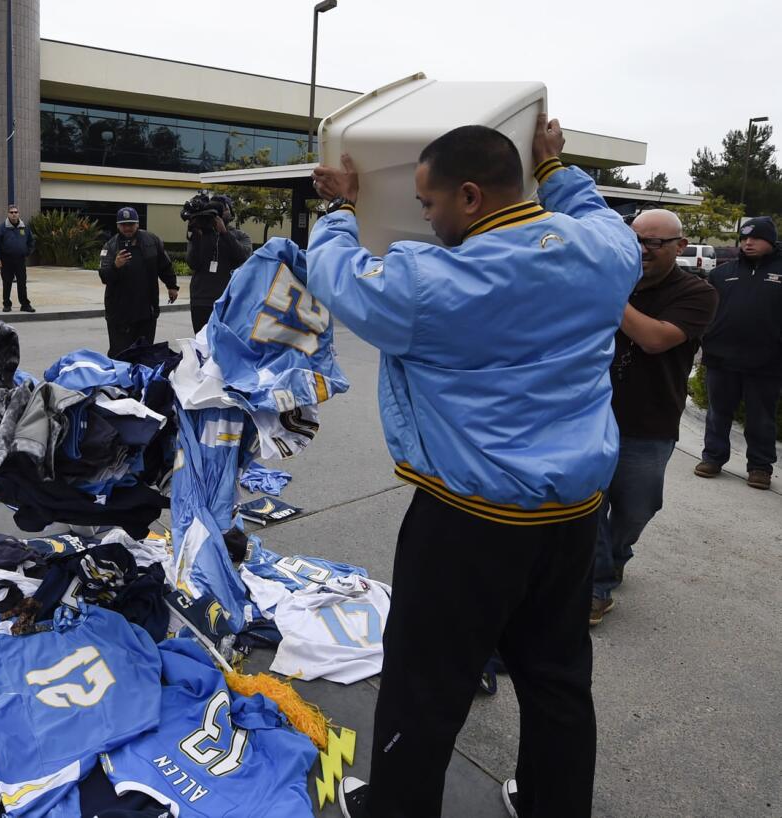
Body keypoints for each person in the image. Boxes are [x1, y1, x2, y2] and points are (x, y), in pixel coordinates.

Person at [304, 117, 640, 818]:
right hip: (574, 517)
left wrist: (339, 209)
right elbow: (589, 210)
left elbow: (336, 276)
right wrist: (555, 166)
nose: (423, 215)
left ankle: (400, 808)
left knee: (426, 680)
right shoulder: (608, 254)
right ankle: (553, 804)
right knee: (557, 676)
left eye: (427, 204)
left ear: (468, 196)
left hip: (470, 523)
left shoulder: (428, 282)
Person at [589, 210, 717, 625]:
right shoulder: (615, 279)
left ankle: (616, 554)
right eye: (635, 240)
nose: (641, 250)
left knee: (635, 510)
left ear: (680, 247)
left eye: (653, 243)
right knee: (589, 505)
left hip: (649, 422)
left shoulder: (698, 293)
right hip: (590, 417)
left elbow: (654, 338)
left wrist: (608, 296)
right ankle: (596, 587)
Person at [695, 216, 782, 490]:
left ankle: (760, 467)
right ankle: (712, 458)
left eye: (755, 238)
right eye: (744, 238)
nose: (748, 242)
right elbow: (707, 312)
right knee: (718, 413)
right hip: (722, 357)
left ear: (770, 240)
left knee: (761, 417)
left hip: (767, 361)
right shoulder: (722, 273)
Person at [97, 206, 178, 356]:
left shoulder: (152, 241)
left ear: (137, 224)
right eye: (123, 224)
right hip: (119, 312)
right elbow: (104, 276)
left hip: (146, 309)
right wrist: (115, 266)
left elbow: (165, 265)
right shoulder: (110, 246)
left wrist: (172, 286)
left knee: (145, 352)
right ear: (118, 225)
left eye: (131, 224)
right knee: (120, 353)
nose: (127, 228)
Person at [184, 194, 251, 332]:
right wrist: (197, 236)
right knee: (202, 344)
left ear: (230, 212)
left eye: (224, 209)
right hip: (201, 299)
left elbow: (243, 257)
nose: (220, 212)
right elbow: (193, 263)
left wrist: (225, 234)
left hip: (228, 299)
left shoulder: (240, 236)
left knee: (225, 344)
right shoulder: (200, 233)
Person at [0, 204, 35, 313]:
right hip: (6, 260)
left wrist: (27, 252)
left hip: (20, 260)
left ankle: (24, 304)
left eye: (16, 212)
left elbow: (31, 241)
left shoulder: (25, 227)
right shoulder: (1, 228)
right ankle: (7, 304)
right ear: (8, 214)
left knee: (22, 283)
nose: (14, 214)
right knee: (7, 283)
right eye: (12, 212)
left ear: (18, 214)